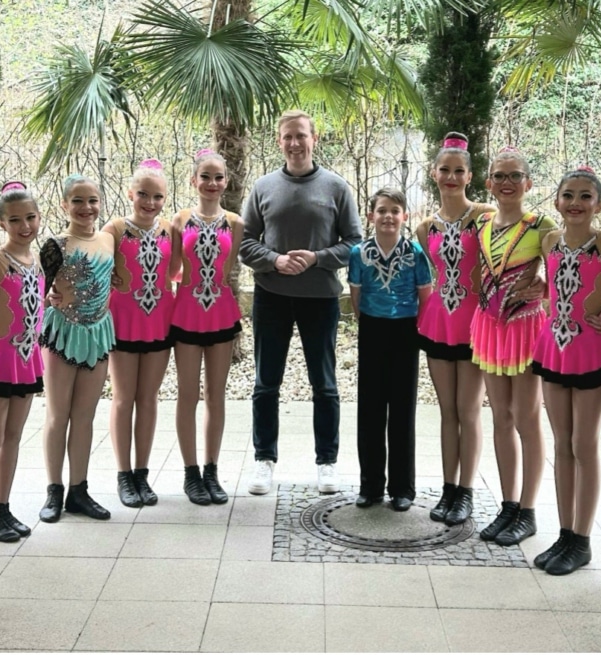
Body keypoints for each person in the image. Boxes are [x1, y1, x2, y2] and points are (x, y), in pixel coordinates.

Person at [239, 109, 362, 495]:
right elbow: (245, 242)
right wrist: (274, 260)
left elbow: (355, 244)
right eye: (288, 136)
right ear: (280, 141)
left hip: (320, 299)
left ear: (314, 138)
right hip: (271, 297)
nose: (295, 143)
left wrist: (317, 258)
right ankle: (264, 459)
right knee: (266, 383)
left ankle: (327, 462)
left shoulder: (336, 187)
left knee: (324, 384)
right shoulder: (263, 187)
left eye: (301, 135)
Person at [530, 167, 601, 575]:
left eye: (585, 196)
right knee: (561, 444)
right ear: (557, 201)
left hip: (592, 352)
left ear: (598, 205)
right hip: (554, 348)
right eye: (568, 195)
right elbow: (553, 286)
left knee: (583, 444)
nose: (575, 203)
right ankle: (565, 533)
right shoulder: (549, 240)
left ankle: (582, 539)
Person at [472, 147, 556, 545]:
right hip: (490, 328)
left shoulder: (542, 226)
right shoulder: (483, 222)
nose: (508, 183)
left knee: (527, 418)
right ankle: (508, 505)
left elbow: (568, 272)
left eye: (515, 176)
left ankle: (528, 509)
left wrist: (545, 288)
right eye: (500, 176)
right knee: (501, 418)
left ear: (528, 183)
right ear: (489, 183)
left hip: (525, 330)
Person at [415, 132, 497, 526]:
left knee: (469, 410)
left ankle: (466, 491)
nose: (451, 177)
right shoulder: (424, 228)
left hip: (474, 322)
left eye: (458, 171)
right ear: (434, 173)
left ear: (470, 176)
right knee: (447, 411)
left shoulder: (485, 216)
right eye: (444, 170)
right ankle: (448, 487)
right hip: (439, 322)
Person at [348, 187, 432, 511]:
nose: (388, 217)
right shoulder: (359, 253)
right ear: (371, 216)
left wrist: (417, 329)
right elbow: (356, 297)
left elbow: (425, 295)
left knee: (402, 409)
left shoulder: (415, 252)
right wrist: (369, 323)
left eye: (395, 211)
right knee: (370, 408)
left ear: (404, 216)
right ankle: (370, 485)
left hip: (406, 331)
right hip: (372, 329)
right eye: (382, 210)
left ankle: (402, 488)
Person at [38, 174, 116, 522]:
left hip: (98, 333)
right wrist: (48, 298)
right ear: (64, 205)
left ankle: (78, 490)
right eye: (78, 201)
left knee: (85, 416)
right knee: (58, 415)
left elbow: (114, 279)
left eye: (92, 200)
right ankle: (54, 490)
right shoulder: (55, 245)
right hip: (63, 333)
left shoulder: (108, 239)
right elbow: (35, 290)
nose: (87, 207)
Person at [170, 149, 244, 505]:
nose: (212, 183)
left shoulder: (236, 222)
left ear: (225, 182)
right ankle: (191, 473)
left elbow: (229, 271)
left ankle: (211, 470)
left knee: (216, 394)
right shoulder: (179, 219)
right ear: (193, 180)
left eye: (218, 177)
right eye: (205, 176)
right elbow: (171, 268)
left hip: (222, 314)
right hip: (186, 314)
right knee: (188, 394)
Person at [104, 159, 178, 508]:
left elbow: (178, 271)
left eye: (158, 196)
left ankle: (142, 473)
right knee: (123, 398)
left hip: (159, 321)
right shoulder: (115, 229)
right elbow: (91, 262)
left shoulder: (170, 230)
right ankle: (123, 474)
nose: (150, 202)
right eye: (144, 194)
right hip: (123, 322)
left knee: (148, 398)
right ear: (130, 193)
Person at [0, 182, 46, 542]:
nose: (25, 226)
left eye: (30, 217)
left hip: (26, 358)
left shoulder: (38, 261)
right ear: (1, 223)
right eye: (15, 220)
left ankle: (2, 506)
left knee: (14, 436)